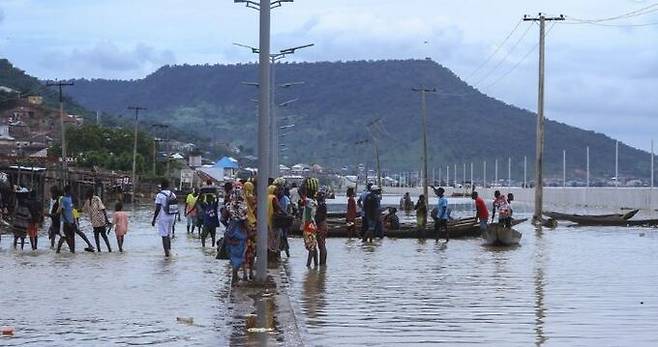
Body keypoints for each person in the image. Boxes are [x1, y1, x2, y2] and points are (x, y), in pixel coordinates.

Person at [225, 183, 248, 285]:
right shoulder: (243, 206)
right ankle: (235, 276)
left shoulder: (228, 205)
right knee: (240, 254)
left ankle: (234, 276)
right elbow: (244, 220)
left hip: (231, 231)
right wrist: (249, 230)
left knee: (233, 254)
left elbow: (222, 218)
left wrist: (228, 226)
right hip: (240, 231)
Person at [152, 179, 177, 257]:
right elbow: (176, 206)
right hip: (172, 216)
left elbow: (158, 208)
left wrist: (154, 219)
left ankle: (166, 254)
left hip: (163, 217)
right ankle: (169, 251)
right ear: (168, 186)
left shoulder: (160, 195)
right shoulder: (173, 194)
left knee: (164, 235)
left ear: (161, 186)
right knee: (168, 234)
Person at [300, 187, 318, 267]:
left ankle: (308, 265)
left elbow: (300, 192)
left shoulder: (308, 201)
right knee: (314, 246)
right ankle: (316, 265)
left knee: (311, 247)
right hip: (312, 225)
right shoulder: (314, 202)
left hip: (308, 225)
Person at [243, 181, 257, 280]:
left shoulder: (242, 200)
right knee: (252, 252)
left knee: (244, 252)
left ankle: (244, 273)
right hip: (253, 228)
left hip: (243, 228)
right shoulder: (254, 199)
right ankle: (251, 272)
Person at [267, 185, 282, 261]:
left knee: (269, 238)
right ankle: (273, 257)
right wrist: (286, 214)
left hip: (266, 220)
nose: (278, 192)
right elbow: (278, 208)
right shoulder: (273, 198)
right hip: (274, 221)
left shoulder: (266, 197)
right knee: (275, 239)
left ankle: (269, 255)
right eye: (276, 190)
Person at [315, 190, 328, 266]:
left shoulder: (321, 205)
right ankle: (322, 265)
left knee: (321, 245)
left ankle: (322, 264)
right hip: (322, 224)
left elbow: (319, 217)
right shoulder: (322, 205)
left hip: (321, 225)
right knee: (321, 245)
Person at [278, 186, 291, 258]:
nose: (280, 192)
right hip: (278, 220)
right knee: (280, 237)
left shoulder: (285, 199)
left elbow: (288, 209)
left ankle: (287, 254)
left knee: (284, 237)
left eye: (281, 190)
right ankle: (279, 254)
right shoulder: (276, 198)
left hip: (284, 221)